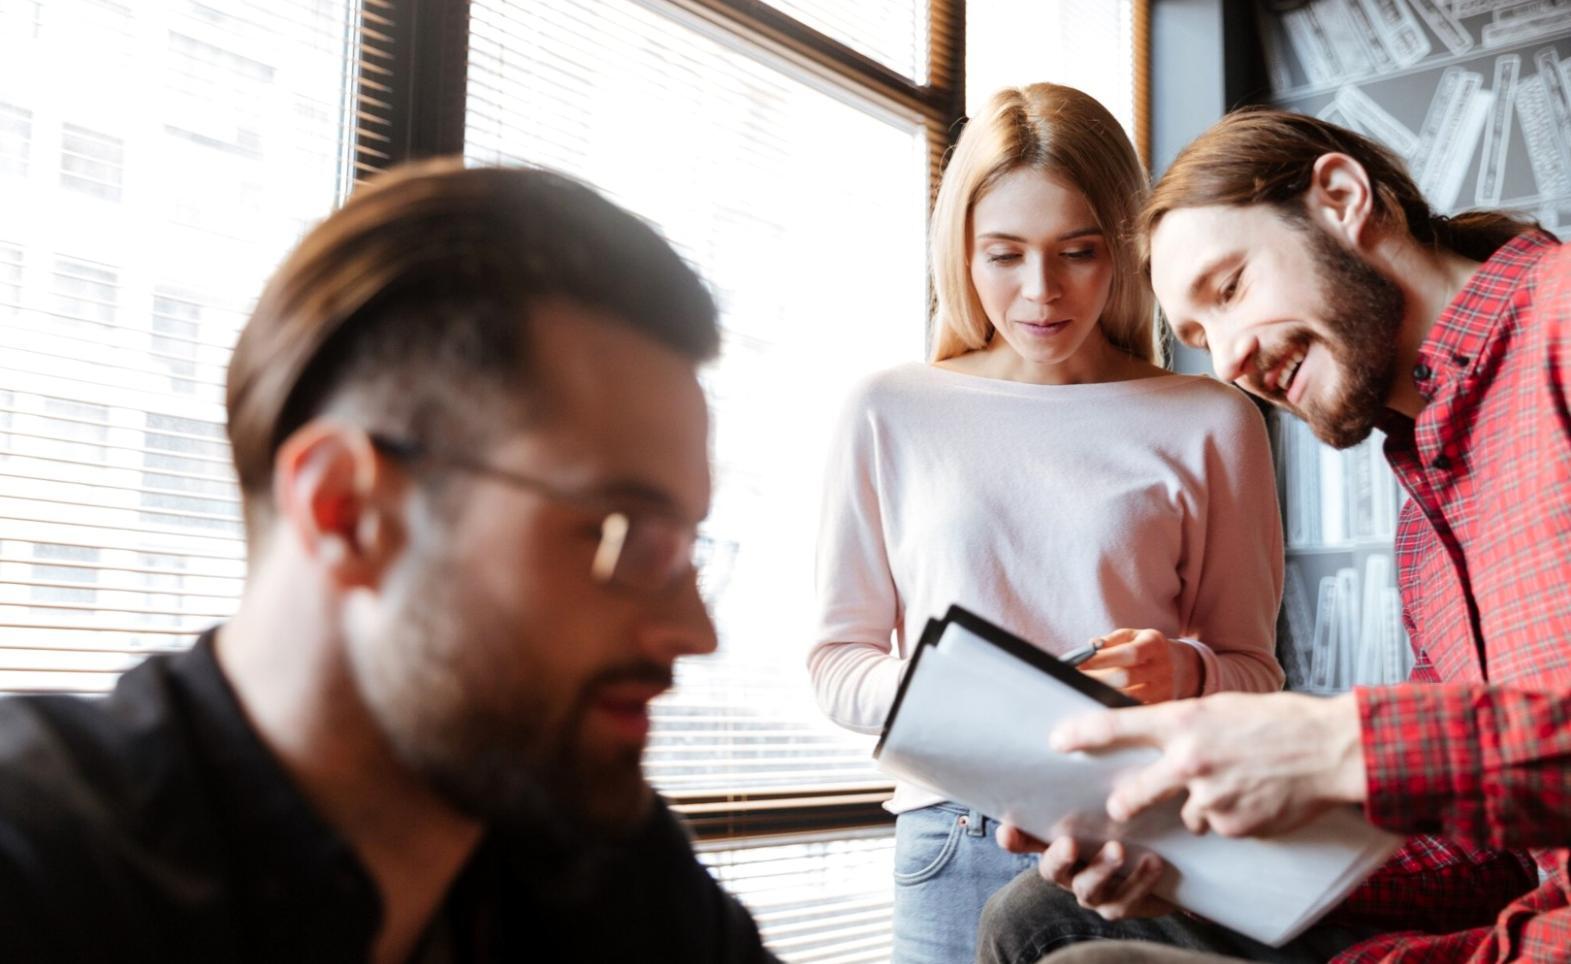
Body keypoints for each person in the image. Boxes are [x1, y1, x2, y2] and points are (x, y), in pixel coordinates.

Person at [0, 161, 775, 962]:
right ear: (347, 511)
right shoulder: (40, 869)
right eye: (626, 532)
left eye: (685, 547)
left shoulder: (605, 873)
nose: (695, 631)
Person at [978, 107, 1569, 963]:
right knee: (1042, 917)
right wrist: (1198, 849)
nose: (1227, 365)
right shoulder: (1426, 530)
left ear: (1339, 197)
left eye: (1229, 291)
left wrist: (1338, 744)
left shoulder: (1557, 321)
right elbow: (1484, 853)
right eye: (1198, 339)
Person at [808, 83, 1287, 964]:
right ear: (959, 252)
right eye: (1003, 255)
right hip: (952, 835)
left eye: (1077, 251)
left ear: (1125, 251)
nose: (1041, 292)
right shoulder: (892, 409)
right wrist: (952, 698)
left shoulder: (1209, 418)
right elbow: (835, 662)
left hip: (1140, 839)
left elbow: (1256, 672)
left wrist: (1183, 670)